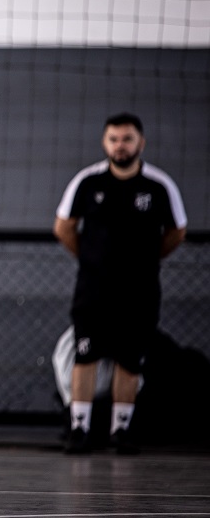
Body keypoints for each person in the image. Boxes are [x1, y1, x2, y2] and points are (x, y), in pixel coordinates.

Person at [54, 113, 186, 454]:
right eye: (114, 139)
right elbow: (63, 227)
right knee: (85, 356)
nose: (120, 146)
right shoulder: (87, 182)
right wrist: (89, 259)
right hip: (93, 291)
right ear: (104, 143)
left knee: (130, 360)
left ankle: (120, 430)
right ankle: (79, 427)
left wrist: (147, 260)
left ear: (140, 143)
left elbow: (177, 232)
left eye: (127, 139)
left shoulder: (158, 186)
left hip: (139, 293)